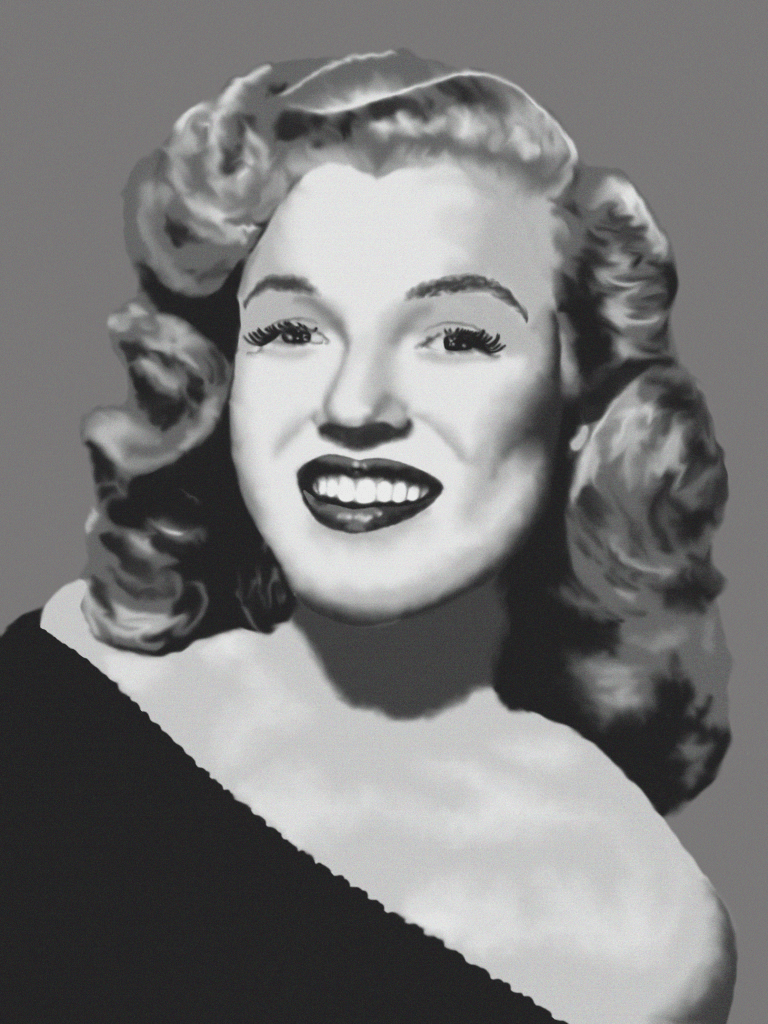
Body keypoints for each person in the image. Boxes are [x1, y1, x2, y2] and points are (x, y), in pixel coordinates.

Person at [2, 50, 736, 1023]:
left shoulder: (637, 930)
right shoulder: (54, 684)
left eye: (457, 337)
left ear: (582, 399)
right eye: (291, 331)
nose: (354, 405)